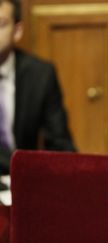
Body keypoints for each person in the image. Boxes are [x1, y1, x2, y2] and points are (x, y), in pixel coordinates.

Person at [0, 0, 76, 179]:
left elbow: (60, 143)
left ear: (17, 30)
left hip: (21, 182)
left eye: (0, 24)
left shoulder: (40, 74)